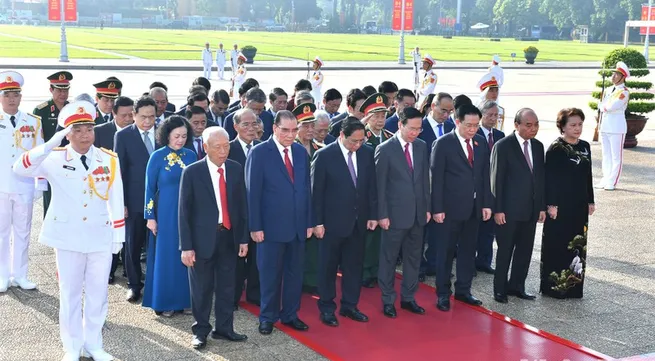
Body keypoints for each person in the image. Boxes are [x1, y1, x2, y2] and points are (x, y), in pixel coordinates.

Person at [13, 100, 125, 361]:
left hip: (100, 235)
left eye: (89, 129)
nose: (85, 135)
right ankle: (72, 347)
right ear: (67, 132)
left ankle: (94, 344)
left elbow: (116, 197)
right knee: (70, 293)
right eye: (77, 130)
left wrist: (118, 235)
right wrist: (52, 143)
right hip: (68, 237)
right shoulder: (53, 158)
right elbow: (19, 168)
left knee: (98, 294)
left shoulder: (108, 159)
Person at [179, 126, 249, 349]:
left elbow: (242, 207)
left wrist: (243, 239)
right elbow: (184, 212)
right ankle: (200, 331)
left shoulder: (236, 169)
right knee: (202, 288)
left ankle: (225, 328)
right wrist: (186, 247)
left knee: (228, 286)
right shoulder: (192, 172)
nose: (223, 151)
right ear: (206, 147)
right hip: (202, 241)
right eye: (217, 147)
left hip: (229, 236)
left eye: (226, 145)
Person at [245, 110, 313, 335]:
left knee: (295, 274)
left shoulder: (301, 153)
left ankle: (291, 314)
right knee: (269, 274)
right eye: (285, 130)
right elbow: (252, 193)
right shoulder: (260, 152)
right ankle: (267, 317)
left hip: (298, 226)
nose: (290, 135)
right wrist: (255, 226)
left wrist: (309, 221)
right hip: (270, 227)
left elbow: (306, 190)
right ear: (274, 128)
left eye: (294, 130)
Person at [312, 117, 378, 327]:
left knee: (354, 267)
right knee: (328, 267)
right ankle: (326, 307)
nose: (357, 145)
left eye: (361, 141)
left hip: (358, 222)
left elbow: (371, 188)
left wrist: (373, 215)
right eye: (353, 141)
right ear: (342, 135)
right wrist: (317, 222)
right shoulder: (324, 156)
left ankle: (350, 305)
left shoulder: (367, 153)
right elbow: (316, 193)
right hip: (331, 224)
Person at [431, 104, 492, 311]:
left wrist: (486, 204)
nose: (473, 129)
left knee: (468, 251)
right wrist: (437, 208)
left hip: (474, 209)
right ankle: (442, 293)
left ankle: (464, 290)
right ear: (457, 122)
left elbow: (484, 176)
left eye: (476, 125)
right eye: (469, 125)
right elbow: (436, 179)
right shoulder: (443, 144)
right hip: (449, 210)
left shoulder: (481, 143)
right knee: (445, 252)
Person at [375, 107, 430, 318]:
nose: (415, 133)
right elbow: (380, 187)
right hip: (394, 216)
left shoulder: (422, 147)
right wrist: (382, 214)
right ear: (400, 124)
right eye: (412, 128)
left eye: (419, 129)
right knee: (389, 259)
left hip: (417, 214)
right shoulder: (385, 149)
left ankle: (408, 297)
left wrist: (427, 208)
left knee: (414, 258)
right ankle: (388, 299)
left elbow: (425, 180)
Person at [142, 115, 197, 317]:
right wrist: (150, 217)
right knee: (166, 257)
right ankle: (164, 301)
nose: (180, 140)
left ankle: (186, 300)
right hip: (164, 213)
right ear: (166, 136)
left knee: (187, 254)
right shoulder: (157, 157)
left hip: (187, 213)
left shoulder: (191, 155)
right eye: (176, 136)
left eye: (184, 136)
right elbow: (149, 188)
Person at [491, 108, 546, 303]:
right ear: (517, 125)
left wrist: (541, 207)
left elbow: (540, 179)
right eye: (529, 125)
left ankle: (517, 286)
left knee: (525, 250)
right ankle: (500, 289)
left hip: (530, 210)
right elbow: (496, 181)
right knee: (505, 250)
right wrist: (498, 209)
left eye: (536, 125)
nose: (533, 129)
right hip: (508, 210)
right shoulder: (503, 146)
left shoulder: (538, 147)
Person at [541, 108, 595, 299]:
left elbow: (587, 176)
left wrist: (591, 200)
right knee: (558, 243)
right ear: (562, 126)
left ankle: (574, 287)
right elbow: (550, 179)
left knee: (577, 246)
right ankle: (555, 287)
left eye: (580, 124)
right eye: (572, 125)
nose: (577, 128)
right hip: (560, 205)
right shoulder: (556, 148)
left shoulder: (585, 146)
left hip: (579, 204)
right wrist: (551, 204)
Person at [0, 71, 45, 292]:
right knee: (1, 232)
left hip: (24, 185)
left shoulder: (33, 122)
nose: (11, 98)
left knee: (23, 232)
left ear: (20, 97)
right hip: (0, 186)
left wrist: (41, 184)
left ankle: (20, 274)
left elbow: (41, 154)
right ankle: (2, 275)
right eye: (6, 94)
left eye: (15, 94)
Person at [115, 96, 160, 303]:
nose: (148, 121)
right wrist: (121, 202)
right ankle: (134, 285)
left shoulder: (163, 133)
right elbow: (119, 171)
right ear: (134, 115)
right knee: (132, 245)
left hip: (160, 201)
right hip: (134, 201)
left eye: (152, 117)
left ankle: (155, 282)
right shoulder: (123, 136)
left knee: (156, 245)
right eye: (143, 117)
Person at [228, 108, 261, 308]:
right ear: (236, 127)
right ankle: (232, 296)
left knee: (258, 255)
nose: (251, 128)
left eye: (254, 123)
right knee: (235, 257)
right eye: (245, 124)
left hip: (258, 211)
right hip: (236, 211)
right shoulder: (227, 149)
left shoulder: (263, 148)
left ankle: (255, 293)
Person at [360, 94, 393, 288]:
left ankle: (377, 269)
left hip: (386, 193)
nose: (380, 120)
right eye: (376, 116)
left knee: (383, 235)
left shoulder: (389, 137)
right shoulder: (362, 137)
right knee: (368, 235)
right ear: (367, 117)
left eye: (383, 116)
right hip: (367, 193)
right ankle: (364, 270)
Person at [33, 71, 72, 215]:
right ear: (51, 90)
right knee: (51, 200)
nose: (63, 93)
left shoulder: (72, 109)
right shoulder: (41, 110)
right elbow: (37, 138)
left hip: (70, 160)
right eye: (59, 90)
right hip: (50, 160)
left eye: (66, 90)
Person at [474, 100, 505, 274]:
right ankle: (470, 262)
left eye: (496, 115)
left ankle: (484, 261)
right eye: (490, 115)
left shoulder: (500, 135)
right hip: (477, 187)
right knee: (474, 230)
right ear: (481, 115)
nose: (493, 118)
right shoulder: (473, 133)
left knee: (489, 230)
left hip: (494, 189)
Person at [597, 61, 630, 191]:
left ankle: (612, 181)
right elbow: (604, 106)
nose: (613, 76)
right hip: (605, 126)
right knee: (606, 155)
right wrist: (603, 107)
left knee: (616, 156)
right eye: (613, 74)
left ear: (623, 77)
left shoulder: (624, 92)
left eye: (617, 74)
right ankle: (605, 178)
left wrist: (603, 107)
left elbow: (611, 106)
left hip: (617, 127)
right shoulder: (609, 90)